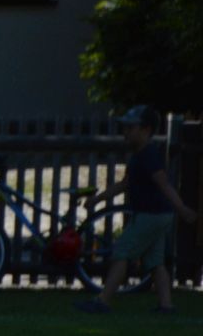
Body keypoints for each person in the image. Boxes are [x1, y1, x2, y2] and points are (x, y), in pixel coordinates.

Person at [77, 105, 195, 315]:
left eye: (131, 128)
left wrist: (182, 208)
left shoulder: (148, 156)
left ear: (146, 130)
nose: (126, 132)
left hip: (151, 215)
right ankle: (166, 305)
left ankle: (103, 301)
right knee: (156, 262)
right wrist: (97, 199)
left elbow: (164, 184)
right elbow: (125, 184)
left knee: (122, 252)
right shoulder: (141, 155)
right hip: (158, 216)